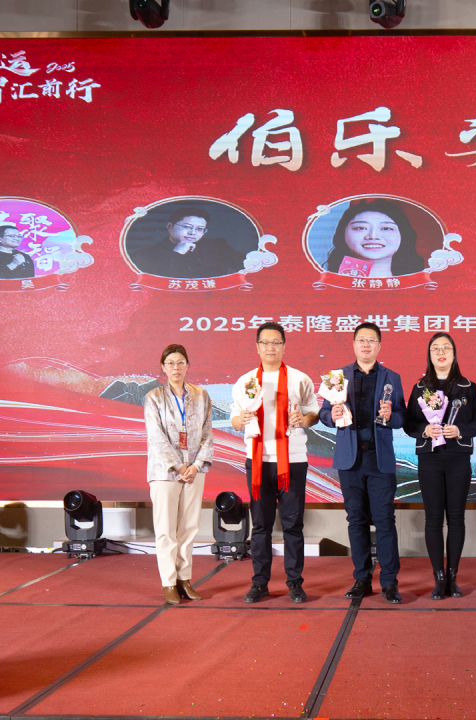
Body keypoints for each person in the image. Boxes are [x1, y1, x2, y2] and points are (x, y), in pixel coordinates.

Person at [230, 322, 320, 604]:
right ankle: (260, 583)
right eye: (265, 343)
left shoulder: (299, 379)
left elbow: (313, 414)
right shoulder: (246, 381)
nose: (271, 348)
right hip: (258, 462)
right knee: (261, 526)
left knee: (293, 525)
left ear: (284, 346)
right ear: (257, 347)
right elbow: (235, 421)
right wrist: (242, 419)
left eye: (276, 342)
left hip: (292, 460)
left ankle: (295, 582)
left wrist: (303, 419)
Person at [319, 322, 407, 603]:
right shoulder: (338, 376)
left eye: (371, 340)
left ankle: (390, 582)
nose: (366, 344)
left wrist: (390, 416)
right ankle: (362, 579)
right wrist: (331, 415)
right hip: (350, 460)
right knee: (356, 520)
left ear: (379, 345)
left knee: (385, 521)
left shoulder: (392, 377)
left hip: (379, 460)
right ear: (354, 344)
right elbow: (323, 414)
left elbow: (402, 417)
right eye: (361, 340)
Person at [403, 333, 476, 600]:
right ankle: (438, 578)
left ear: (454, 354)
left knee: (456, 518)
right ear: (429, 355)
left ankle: (453, 576)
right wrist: (424, 430)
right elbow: (408, 423)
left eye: (446, 348)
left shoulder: (467, 386)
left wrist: (460, 430)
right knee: (433, 519)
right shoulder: (420, 387)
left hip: (458, 458)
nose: (441, 353)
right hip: (430, 459)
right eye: (435, 349)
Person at [144, 343, 214, 605]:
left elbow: (207, 433)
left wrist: (195, 465)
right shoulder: (154, 397)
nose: (176, 368)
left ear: (188, 366)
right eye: (171, 363)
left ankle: (185, 579)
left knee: (189, 527)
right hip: (165, 471)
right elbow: (156, 437)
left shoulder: (201, 395)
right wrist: (179, 466)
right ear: (163, 368)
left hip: (195, 470)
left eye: (181, 362)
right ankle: (169, 582)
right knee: (166, 529)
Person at [129, 206, 247, 279]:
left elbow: (249, 267)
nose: (192, 233)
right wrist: (176, 254)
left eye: (200, 229)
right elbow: (153, 282)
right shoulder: (146, 253)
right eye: (186, 227)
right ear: (170, 226)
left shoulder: (218, 246)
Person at [324, 199, 426, 278]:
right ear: (343, 234)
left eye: (386, 228)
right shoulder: (327, 283)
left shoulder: (419, 284)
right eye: (361, 228)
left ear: (403, 235)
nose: (373, 236)